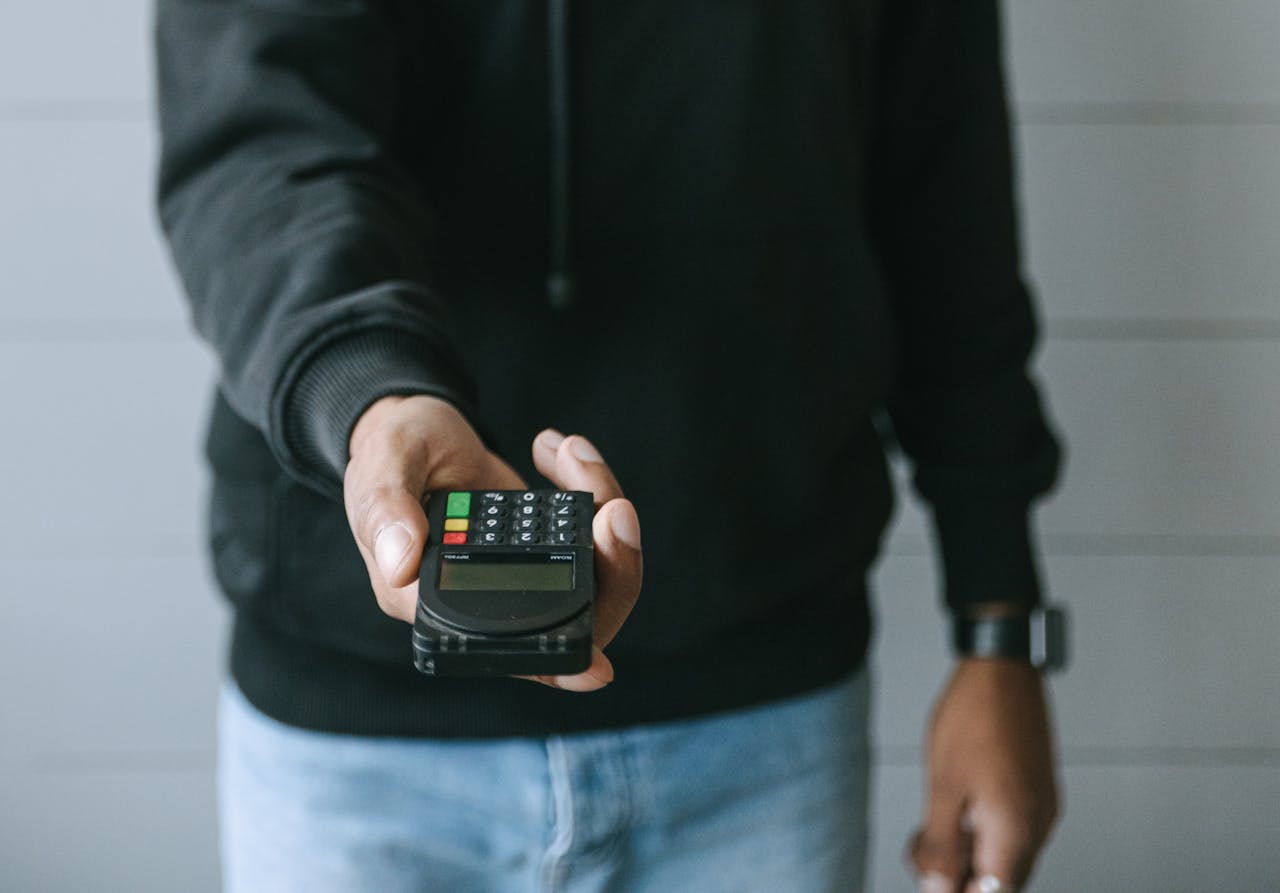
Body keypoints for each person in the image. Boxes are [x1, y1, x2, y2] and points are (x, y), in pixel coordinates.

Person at [156, 1, 1062, 891]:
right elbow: (256, 145)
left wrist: (1001, 631)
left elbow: (947, 194)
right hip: (355, 741)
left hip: (761, 720)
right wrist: (369, 395)